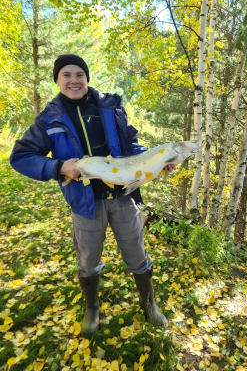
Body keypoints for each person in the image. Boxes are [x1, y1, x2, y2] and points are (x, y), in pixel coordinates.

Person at [10, 53, 175, 336]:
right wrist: (59, 166)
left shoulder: (110, 108)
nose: (74, 81)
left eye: (79, 75)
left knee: (136, 252)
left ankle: (149, 304)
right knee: (87, 259)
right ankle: (92, 308)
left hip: (122, 196)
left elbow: (129, 147)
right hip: (85, 203)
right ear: (58, 80)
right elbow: (21, 156)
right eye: (67, 75)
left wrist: (156, 161)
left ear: (87, 78)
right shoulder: (49, 119)